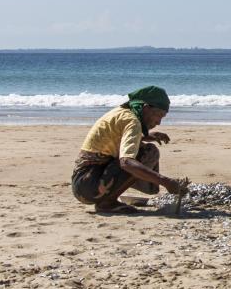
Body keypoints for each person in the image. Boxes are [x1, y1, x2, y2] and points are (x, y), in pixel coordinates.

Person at [71, 85, 186, 214]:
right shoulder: (133, 121)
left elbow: (115, 139)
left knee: (142, 150)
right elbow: (125, 162)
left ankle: (109, 198)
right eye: (158, 115)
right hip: (89, 187)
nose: (158, 122)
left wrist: (144, 137)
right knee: (147, 153)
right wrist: (165, 181)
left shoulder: (122, 112)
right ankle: (107, 203)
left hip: (82, 184)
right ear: (146, 108)